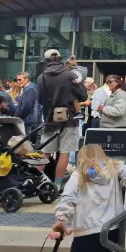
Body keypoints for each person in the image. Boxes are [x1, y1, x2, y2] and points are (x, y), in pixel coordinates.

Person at [37, 49, 88, 190]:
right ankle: (57, 185)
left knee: (45, 153)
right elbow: (83, 96)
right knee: (65, 153)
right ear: (59, 59)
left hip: (50, 119)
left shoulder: (42, 77)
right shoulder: (69, 75)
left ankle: (36, 181)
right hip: (69, 119)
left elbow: (40, 100)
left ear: (46, 60)